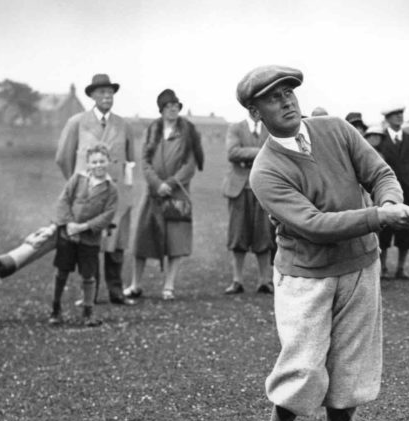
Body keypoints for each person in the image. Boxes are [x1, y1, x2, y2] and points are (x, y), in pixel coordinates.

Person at [233, 65, 409, 421]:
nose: (287, 101)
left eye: (289, 92)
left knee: (349, 370)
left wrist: (390, 200)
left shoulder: (336, 129)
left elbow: (380, 174)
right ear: (255, 112)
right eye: (273, 98)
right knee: (302, 369)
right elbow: (314, 225)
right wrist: (378, 216)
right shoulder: (265, 171)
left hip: (360, 267)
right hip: (306, 277)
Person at [55, 73, 135, 305]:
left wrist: (127, 191)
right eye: (101, 92)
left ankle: (116, 291)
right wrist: (79, 185)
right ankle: (89, 294)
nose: (107, 96)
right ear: (92, 95)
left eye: (110, 92)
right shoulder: (77, 123)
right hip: (87, 196)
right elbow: (63, 157)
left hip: (115, 194)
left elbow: (130, 161)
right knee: (88, 245)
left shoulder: (123, 125)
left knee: (116, 244)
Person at [125, 89, 202, 301]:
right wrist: (158, 184)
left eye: (176, 106)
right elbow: (145, 161)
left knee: (176, 242)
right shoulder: (153, 130)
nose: (173, 109)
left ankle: (169, 286)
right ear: (161, 109)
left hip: (177, 195)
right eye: (168, 106)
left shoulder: (188, 131)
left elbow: (190, 165)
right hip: (153, 194)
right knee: (142, 239)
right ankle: (135, 284)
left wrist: (170, 183)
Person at [49, 144, 118, 327]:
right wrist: (69, 223)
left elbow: (107, 215)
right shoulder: (77, 179)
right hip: (68, 235)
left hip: (89, 240)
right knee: (61, 271)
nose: (98, 165)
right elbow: (64, 200)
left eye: (102, 161)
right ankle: (56, 309)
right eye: (94, 162)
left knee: (88, 275)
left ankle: (88, 312)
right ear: (88, 163)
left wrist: (84, 227)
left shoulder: (111, 189)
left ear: (108, 162)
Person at [221, 108, 272, 294]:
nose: (256, 110)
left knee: (264, 234)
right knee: (237, 235)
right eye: (252, 106)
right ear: (248, 108)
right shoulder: (235, 128)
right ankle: (237, 280)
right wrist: (262, 152)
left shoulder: (271, 127)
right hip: (239, 188)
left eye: (259, 105)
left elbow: (278, 151)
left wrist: (248, 155)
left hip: (264, 188)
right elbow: (232, 152)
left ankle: (264, 281)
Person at [374, 106, 409, 279]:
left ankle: (401, 269)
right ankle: (384, 268)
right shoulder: (380, 140)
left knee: (408, 232)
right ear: (387, 118)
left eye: (401, 114)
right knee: (385, 233)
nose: (399, 117)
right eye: (395, 115)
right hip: (388, 195)